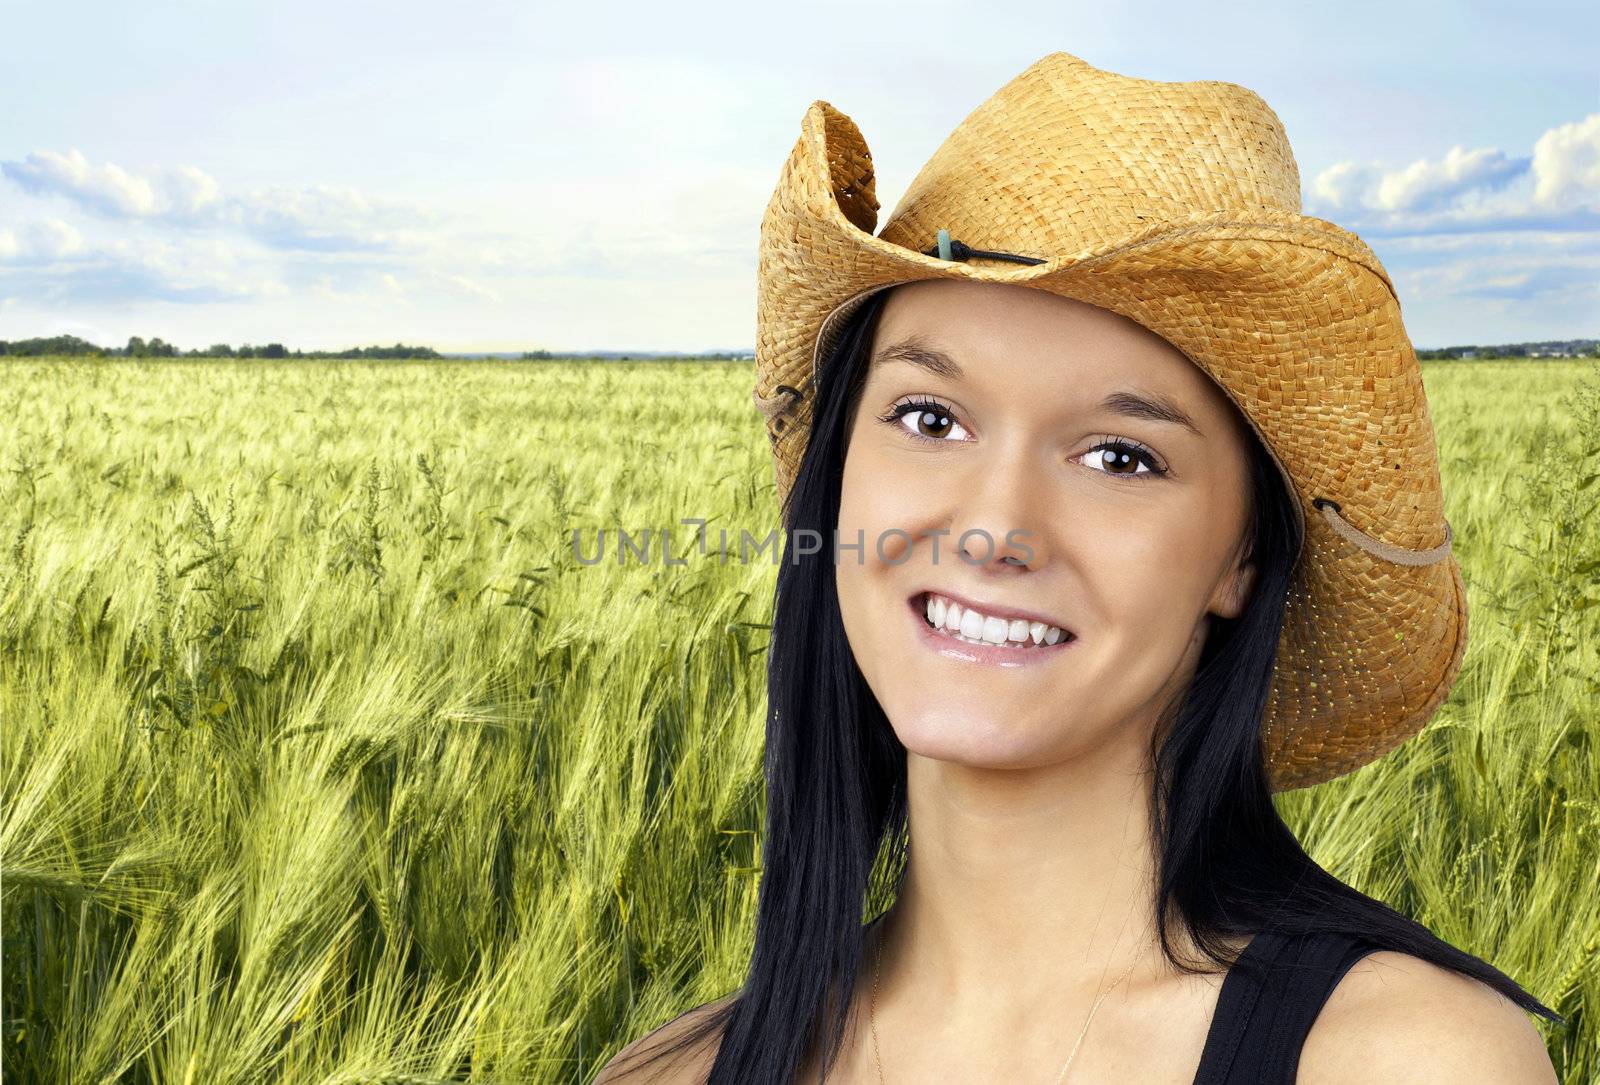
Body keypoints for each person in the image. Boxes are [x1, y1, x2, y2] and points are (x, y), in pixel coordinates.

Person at [594, 51, 1563, 1084]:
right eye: (929, 417)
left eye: (1119, 456)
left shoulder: (1402, 1060)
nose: (994, 526)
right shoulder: (670, 1073)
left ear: (1240, 556)